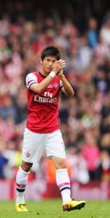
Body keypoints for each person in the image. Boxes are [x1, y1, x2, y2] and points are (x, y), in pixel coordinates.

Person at [14, 46, 86, 212]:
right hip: (34, 130)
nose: (50, 64)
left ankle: (67, 201)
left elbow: (71, 93)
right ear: (41, 61)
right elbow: (38, 89)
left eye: (54, 61)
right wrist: (54, 74)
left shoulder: (57, 78)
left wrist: (61, 76)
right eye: (48, 60)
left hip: (53, 129)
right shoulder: (31, 77)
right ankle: (19, 200)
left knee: (61, 163)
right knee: (26, 166)